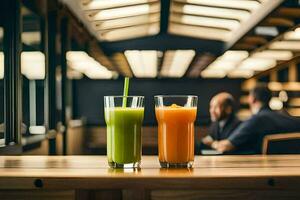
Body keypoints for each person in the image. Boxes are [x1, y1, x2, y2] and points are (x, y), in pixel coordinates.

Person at [212, 84, 300, 154]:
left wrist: (212, 143)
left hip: (266, 171)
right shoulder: (287, 117)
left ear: (252, 99)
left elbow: (226, 146)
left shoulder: (256, 120)